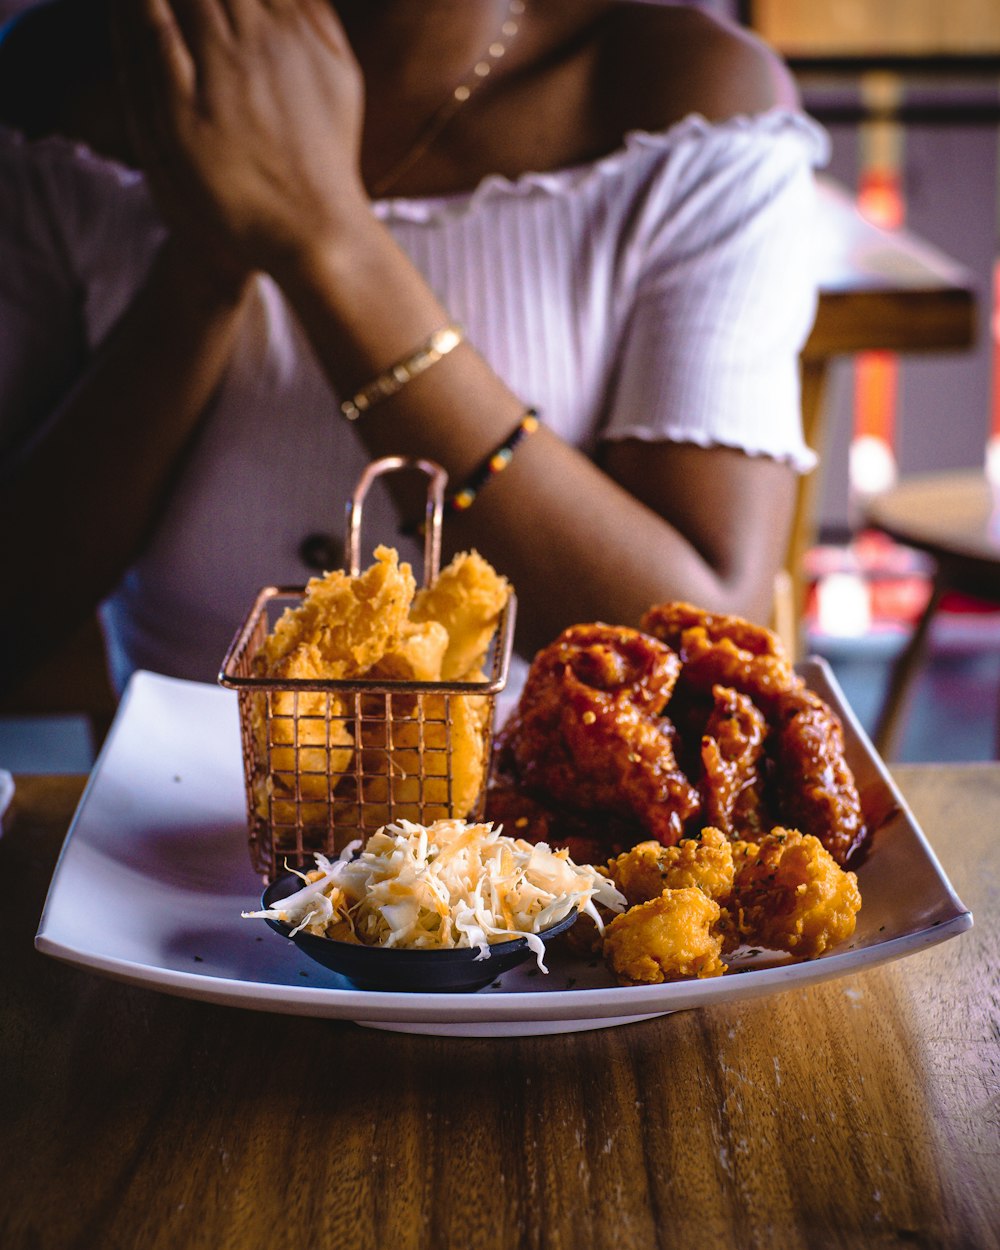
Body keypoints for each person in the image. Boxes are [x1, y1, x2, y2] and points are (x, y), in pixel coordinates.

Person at [0, 0, 826, 703]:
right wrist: (206, 259)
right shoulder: (64, 83)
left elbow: (706, 650)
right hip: (166, 847)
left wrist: (332, 243)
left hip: (563, 867)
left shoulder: (690, 100)